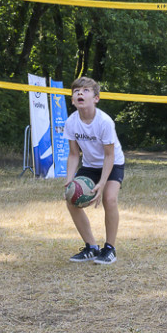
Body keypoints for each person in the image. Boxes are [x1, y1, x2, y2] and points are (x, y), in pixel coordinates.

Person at [62, 76, 124, 265]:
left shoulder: (104, 122)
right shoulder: (71, 122)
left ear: (96, 98)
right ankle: (91, 247)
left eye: (86, 90)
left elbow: (109, 156)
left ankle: (110, 249)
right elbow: (74, 155)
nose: (80, 93)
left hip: (113, 163)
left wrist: (102, 184)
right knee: (71, 199)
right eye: (76, 91)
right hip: (89, 165)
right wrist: (69, 180)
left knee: (109, 199)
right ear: (73, 100)